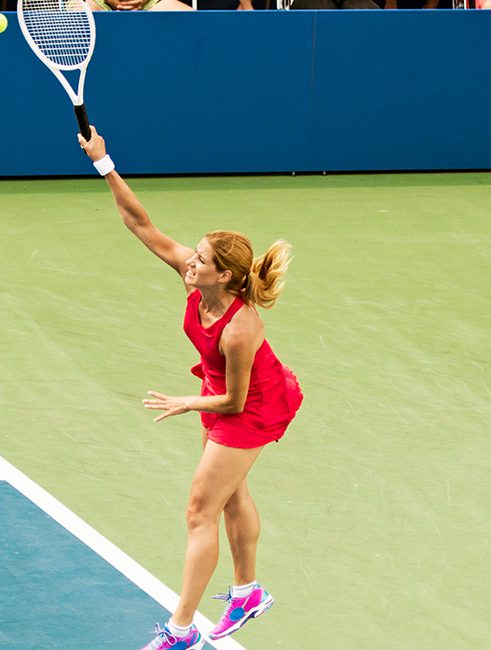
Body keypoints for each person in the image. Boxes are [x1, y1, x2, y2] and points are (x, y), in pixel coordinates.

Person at [78, 127, 302, 649]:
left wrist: (187, 401)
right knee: (230, 495)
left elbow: (237, 403)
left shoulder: (242, 327)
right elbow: (141, 224)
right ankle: (247, 592)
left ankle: (181, 632)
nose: (189, 261)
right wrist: (104, 161)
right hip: (220, 391)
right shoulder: (192, 277)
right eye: (194, 254)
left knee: (200, 508)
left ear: (225, 278)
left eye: (201, 260)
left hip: (254, 404)